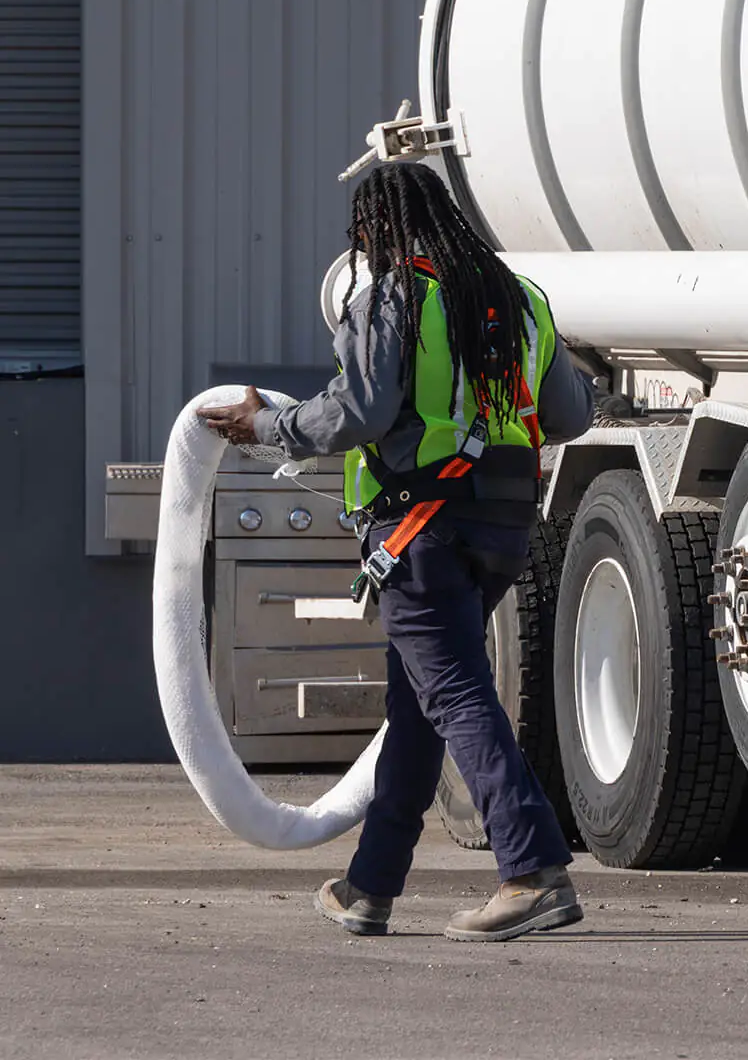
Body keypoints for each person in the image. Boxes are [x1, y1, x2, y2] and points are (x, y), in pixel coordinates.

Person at [198, 162, 595, 941]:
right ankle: (370, 886)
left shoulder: (394, 296)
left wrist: (268, 427)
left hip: (422, 529)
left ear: (376, 230)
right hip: (502, 526)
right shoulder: (519, 302)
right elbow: (570, 413)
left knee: (450, 693)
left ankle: (532, 870)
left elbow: (361, 410)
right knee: (417, 708)